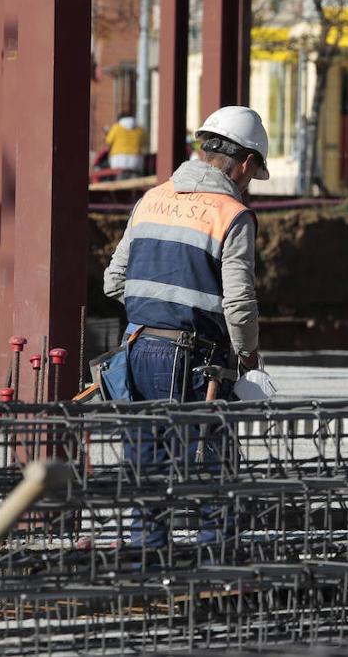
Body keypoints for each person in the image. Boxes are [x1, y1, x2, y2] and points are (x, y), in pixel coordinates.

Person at [103, 105, 268, 554]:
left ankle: (146, 563)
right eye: (252, 175)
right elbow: (239, 304)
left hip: (137, 350)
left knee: (148, 469)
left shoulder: (151, 199)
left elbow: (113, 282)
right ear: (246, 162)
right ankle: (216, 569)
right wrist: (248, 356)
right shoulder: (232, 214)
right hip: (194, 358)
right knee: (215, 469)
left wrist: (158, 308)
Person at [105, 111, 147, 178]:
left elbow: (108, 141)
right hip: (135, 159)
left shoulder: (116, 127)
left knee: (120, 179)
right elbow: (144, 142)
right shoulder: (139, 129)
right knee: (135, 180)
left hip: (119, 159)